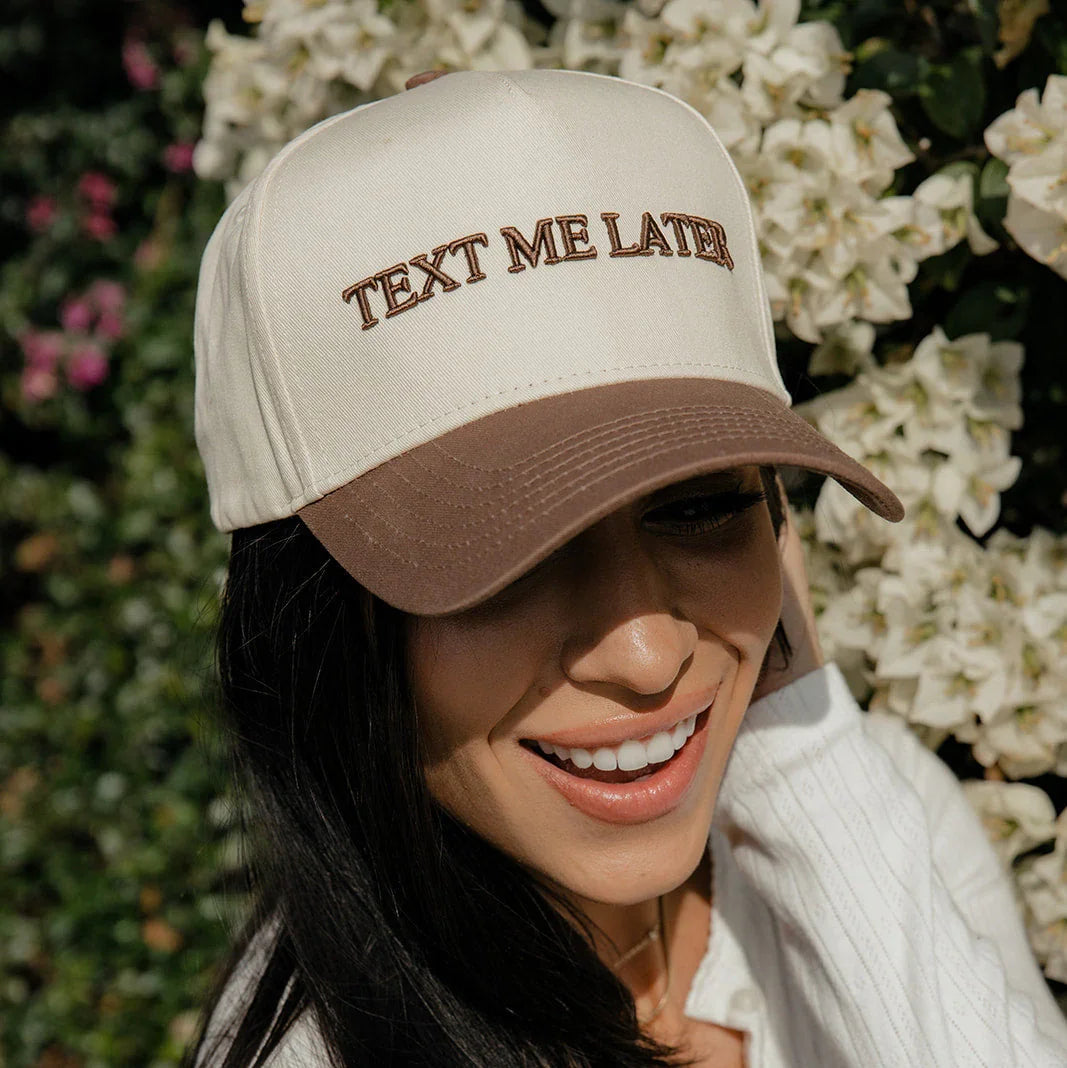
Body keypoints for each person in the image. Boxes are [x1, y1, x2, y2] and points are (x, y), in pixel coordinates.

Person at [184, 69, 1067, 1067]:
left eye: (699, 509)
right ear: (312, 626)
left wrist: (808, 757)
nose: (647, 656)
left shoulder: (874, 811)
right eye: (505, 559)